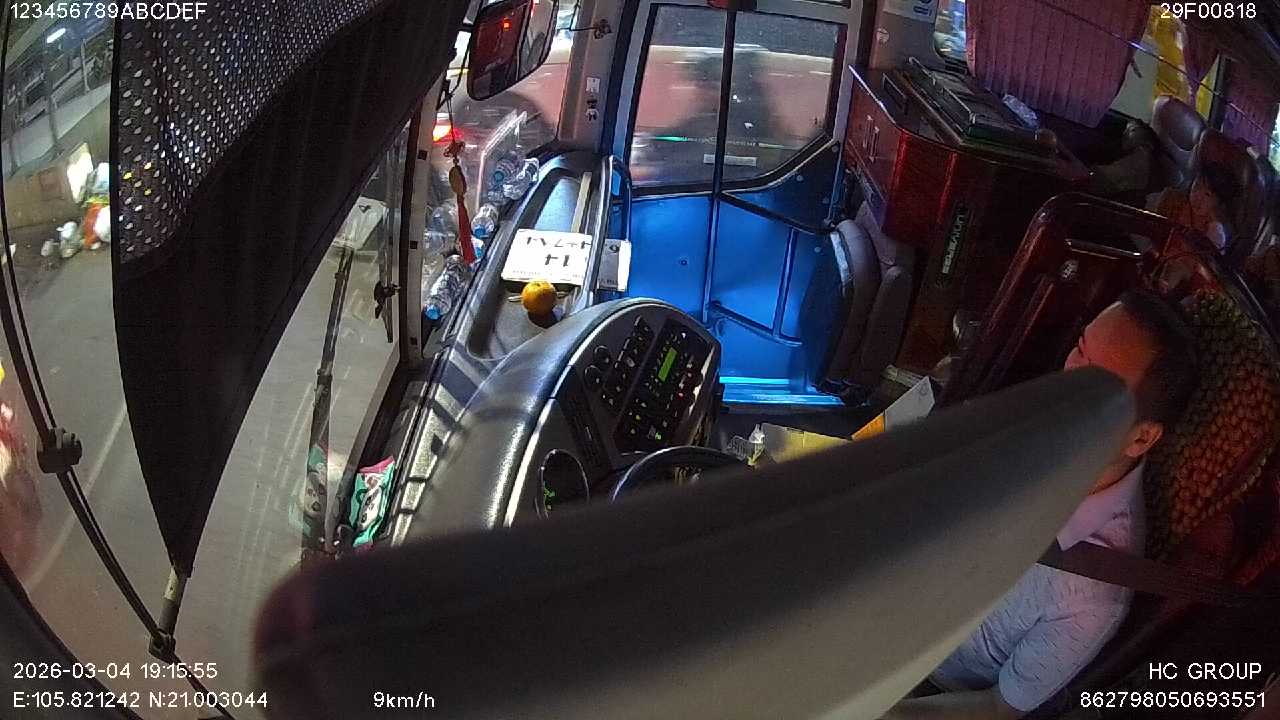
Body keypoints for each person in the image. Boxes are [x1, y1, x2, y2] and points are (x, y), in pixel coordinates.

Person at [882, 289, 1198, 720]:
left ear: (1141, 437)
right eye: (1080, 350)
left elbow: (999, 706)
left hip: (920, 676)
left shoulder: (1091, 592)